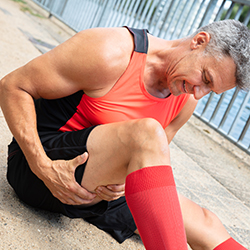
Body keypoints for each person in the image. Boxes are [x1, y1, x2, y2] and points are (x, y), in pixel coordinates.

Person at [0, 19, 249, 249]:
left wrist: (120, 183)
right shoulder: (110, 51)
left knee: (207, 224)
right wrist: (42, 166)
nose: (199, 93)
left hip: (98, 194)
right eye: (205, 78)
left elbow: (148, 164)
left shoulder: (186, 100)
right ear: (198, 41)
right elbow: (13, 86)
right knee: (147, 133)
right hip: (42, 171)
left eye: (210, 90)